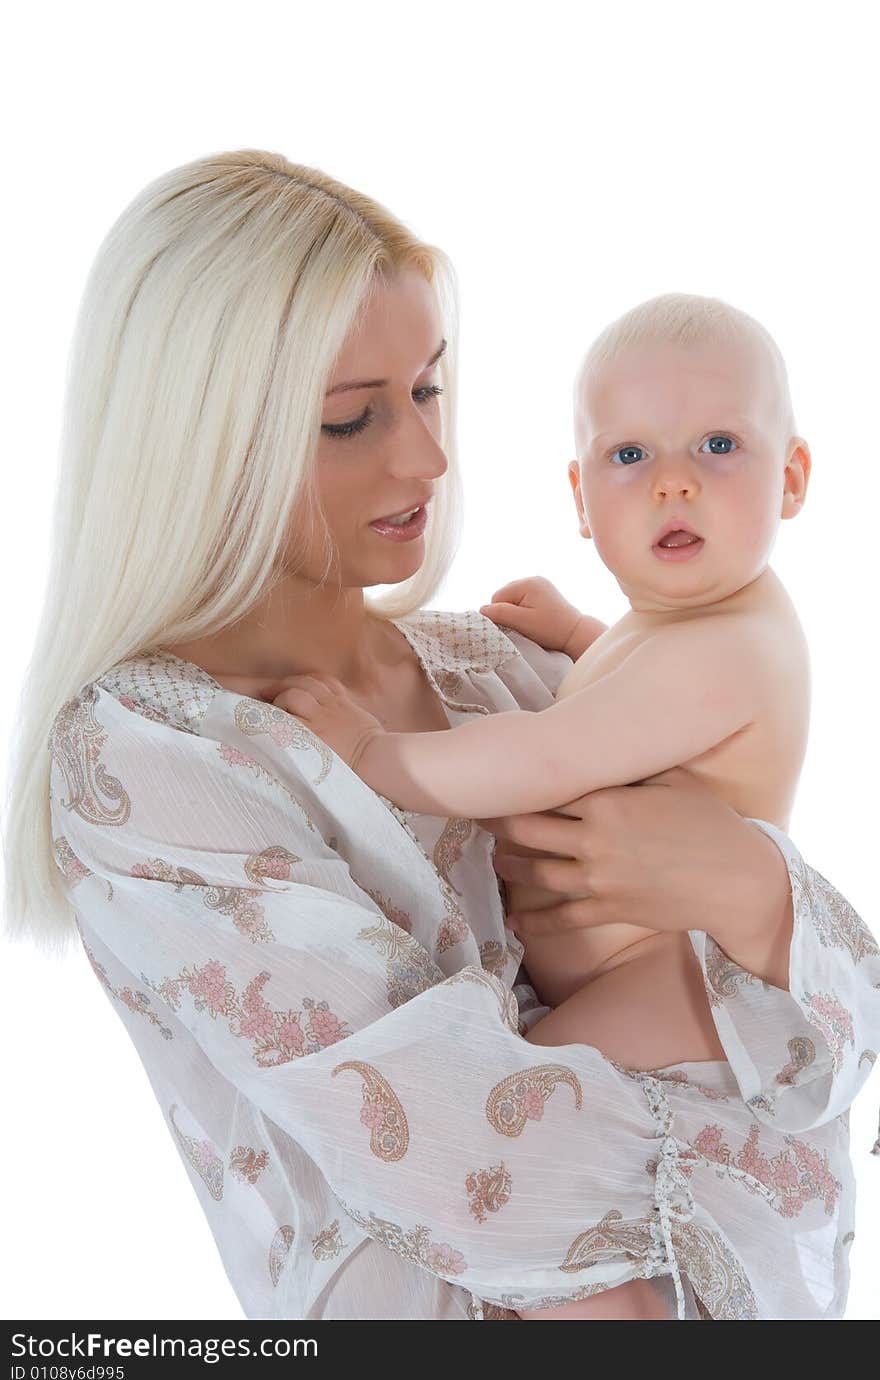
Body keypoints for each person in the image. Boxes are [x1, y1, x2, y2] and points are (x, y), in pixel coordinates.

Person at [3, 150, 876, 1321]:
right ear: (203, 442)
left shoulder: (508, 673)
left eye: (427, 390)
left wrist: (756, 889)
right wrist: (762, 956)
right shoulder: (150, 761)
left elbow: (839, 1045)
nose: (424, 456)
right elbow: (458, 1151)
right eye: (350, 418)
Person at [274, 293, 880, 1318]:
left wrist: (375, 752)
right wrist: (582, 631)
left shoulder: (731, 645)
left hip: (673, 985)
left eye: (718, 444)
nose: (674, 479)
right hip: (641, 970)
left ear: (792, 479)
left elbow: (549, 754)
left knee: (491, 1121)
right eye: (629, 456)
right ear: (580, 499)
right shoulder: (692, 625)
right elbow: (641, 702)